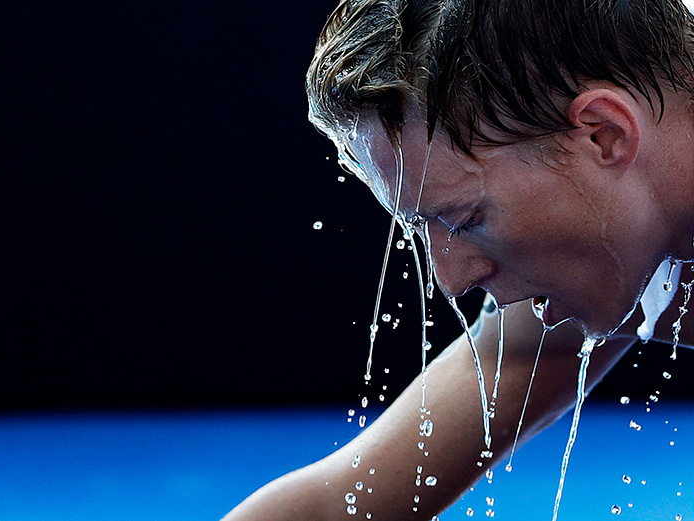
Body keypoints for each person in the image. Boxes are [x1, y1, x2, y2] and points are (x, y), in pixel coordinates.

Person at [224, 0, 694, 519]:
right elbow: (341, 505)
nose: (450, 280)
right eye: (420, 228)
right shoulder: (604, 252)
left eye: (466, 220)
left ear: (603, 134)